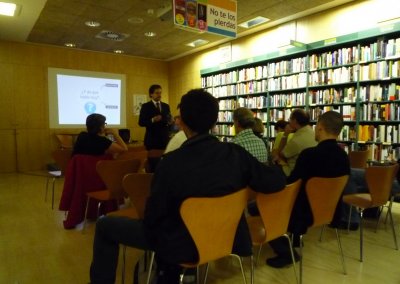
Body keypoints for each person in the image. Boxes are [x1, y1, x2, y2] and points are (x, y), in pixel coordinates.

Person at [89, 88, 286, 284]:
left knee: (105, 225)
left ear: (181, 122)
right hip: (226, 236)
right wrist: (276, 163)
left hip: (181, 245)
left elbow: (153, 217)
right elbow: (274, 182)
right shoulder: (235, 154)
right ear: (215, 122)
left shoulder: (170, 163)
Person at [267, 111, 351, 268]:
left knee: (263, 206)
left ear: (320, 127)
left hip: (303, 213)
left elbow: (291, 184)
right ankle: (295, 238)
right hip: (330, 212)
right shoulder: (344, 157)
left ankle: (287, 253)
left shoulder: (310, 155)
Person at [272, 109, 317, 176]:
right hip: (311, 172)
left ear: (295, 121)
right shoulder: (313, 132)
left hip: (295, 174)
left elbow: (281, 154)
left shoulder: (297, 140)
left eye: (290, 119)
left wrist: (285, 134)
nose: (288, 121)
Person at [139, 84, 172, 151]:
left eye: (160, 93)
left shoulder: (166, 106)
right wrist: (152, 120)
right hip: (152, 141)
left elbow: (168, 119)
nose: (159, 95)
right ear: (151, 94)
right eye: (157, 93)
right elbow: (141, 122)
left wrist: (170, 121)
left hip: (164, 139)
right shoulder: (145, 106)